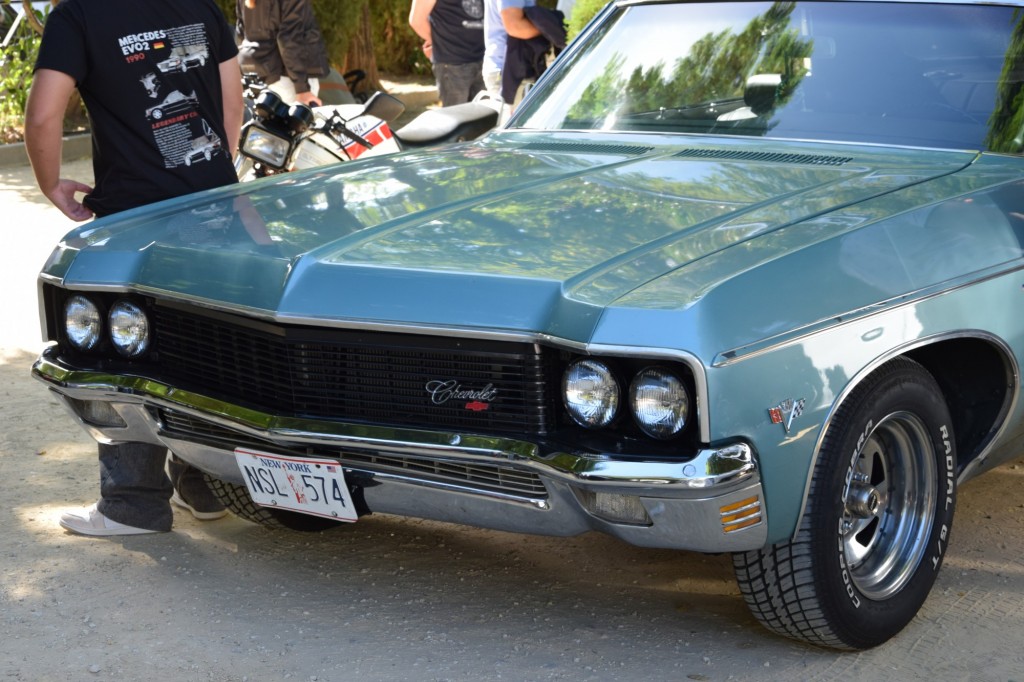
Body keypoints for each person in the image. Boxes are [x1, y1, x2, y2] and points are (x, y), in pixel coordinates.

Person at [24, 0, 244, 535]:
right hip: (214, 200)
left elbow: (43, 114)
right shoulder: (202, 8)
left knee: (118, 349)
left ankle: (133, 505)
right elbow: (230, 104)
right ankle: (204, 487)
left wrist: (50, 183)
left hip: (133, 212)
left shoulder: (78, 15)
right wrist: (210, 177)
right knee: (199, 343)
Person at [236, 0, 346, 107]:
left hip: (258, 76)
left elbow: (241, 34)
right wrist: (302, 89)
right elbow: (290, 38)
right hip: (288, 81)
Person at [409, 0, 485, 107]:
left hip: (485, 61)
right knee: (457, 119)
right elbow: (417, 20)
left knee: (486, 120)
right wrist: (438, 42)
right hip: (452, 65)